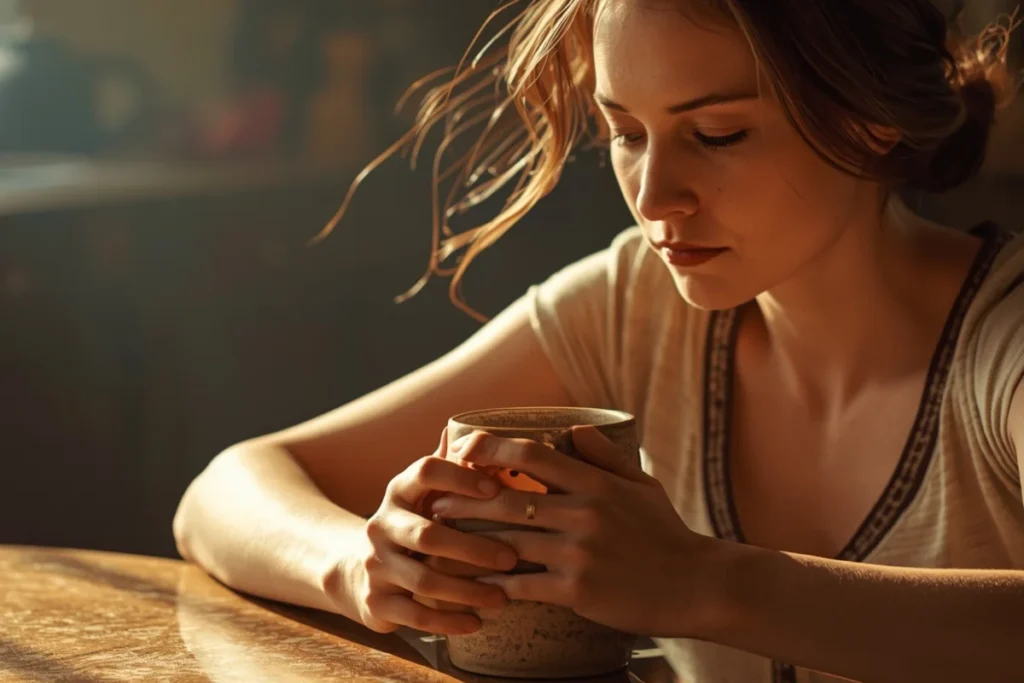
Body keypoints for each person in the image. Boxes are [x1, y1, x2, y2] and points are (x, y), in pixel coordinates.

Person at [173, 1, 1024, 681]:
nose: (655, 195)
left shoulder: (1005, 338)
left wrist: (703, 581)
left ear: (872, 117)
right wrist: (365, 566)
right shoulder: (635, 306)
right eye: (625, 130)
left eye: (718, 133)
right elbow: (225, 490)